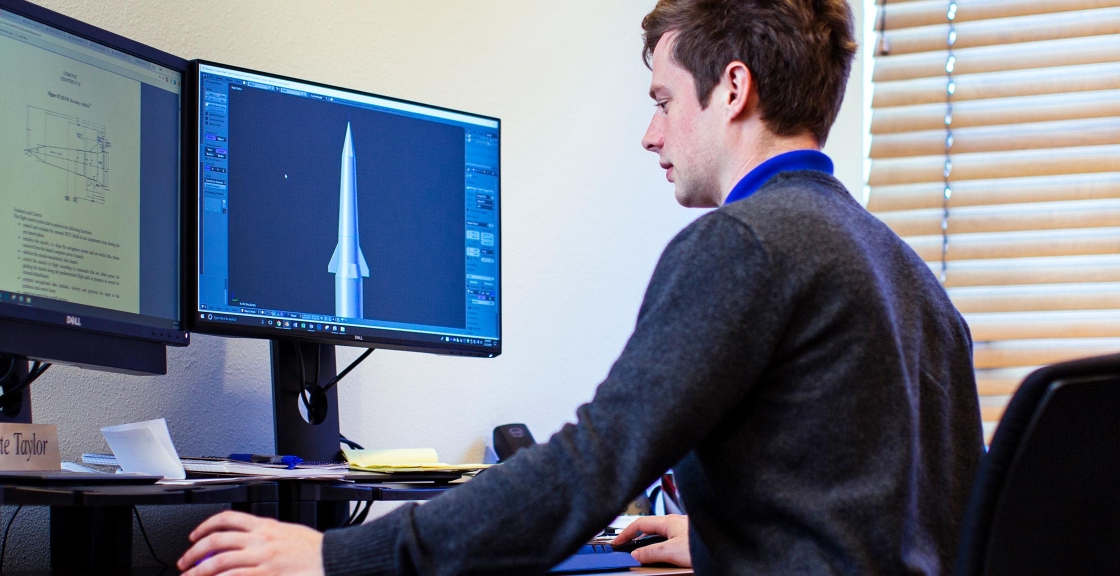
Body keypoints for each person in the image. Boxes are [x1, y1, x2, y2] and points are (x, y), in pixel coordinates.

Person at [177, 0, 984, 574]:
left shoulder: (746, 242)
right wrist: (717, 542)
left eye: (664, 100)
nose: (651, 133)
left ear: (733, 89)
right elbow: (914, 525)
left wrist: (335, 555)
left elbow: (589, 474)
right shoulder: (912, 276)